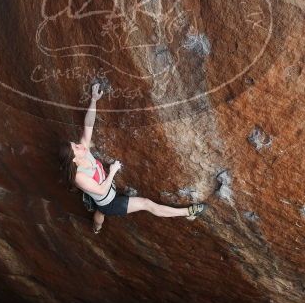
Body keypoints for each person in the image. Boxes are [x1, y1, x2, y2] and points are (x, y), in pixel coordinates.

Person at [59, 82, 207, 234]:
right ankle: (188, 213)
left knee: (100, 212)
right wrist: (113, 171)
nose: (80, 145)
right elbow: (102, 191)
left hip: (106, 194)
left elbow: (88, 124)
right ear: (73, 160)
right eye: (75, 148)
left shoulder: (84, 150)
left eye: (75, 143)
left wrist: (94, 100)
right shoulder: (79, 177)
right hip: (109, 202)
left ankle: (96, 227)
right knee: (145, 204)